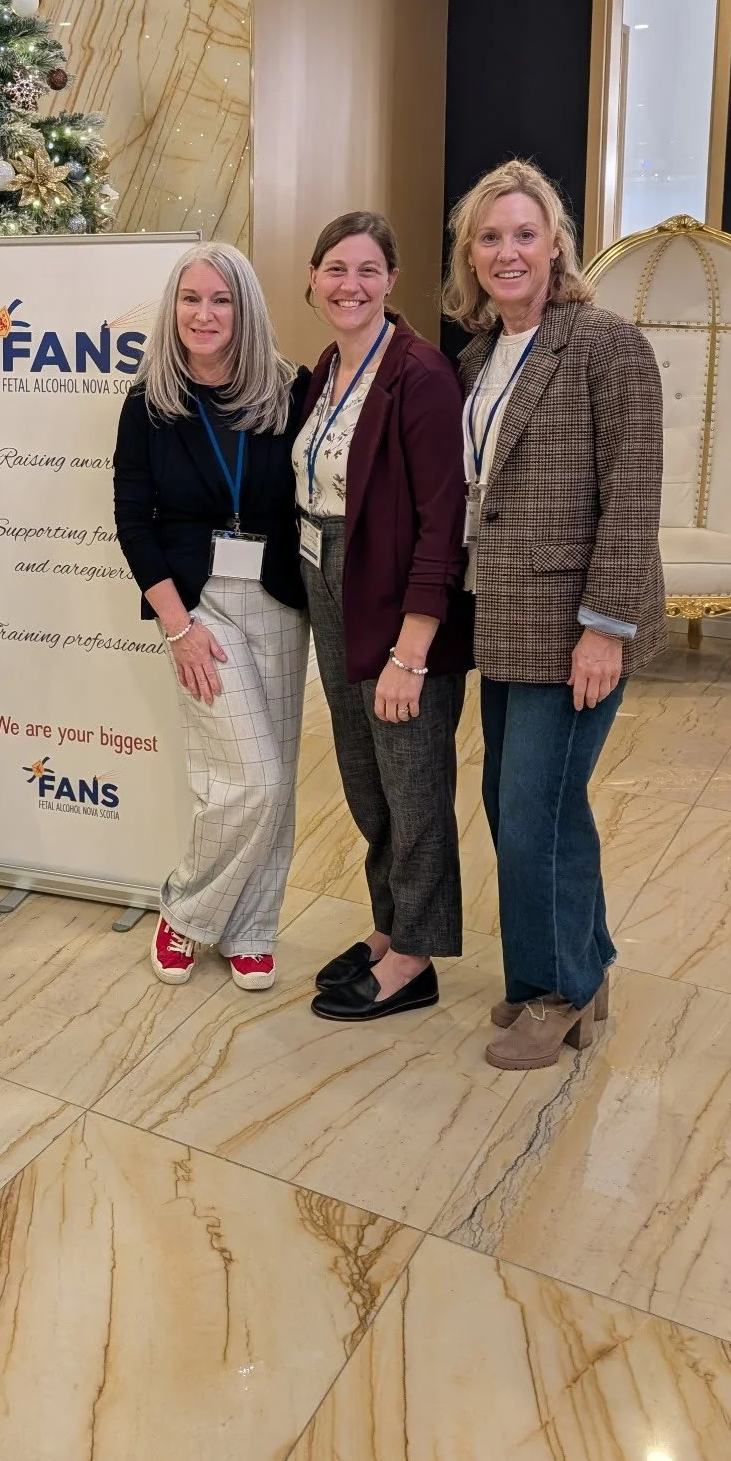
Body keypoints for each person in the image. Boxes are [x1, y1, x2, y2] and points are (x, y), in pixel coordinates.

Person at [445, 159, 666, 1070]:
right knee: (519, 804)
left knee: (534, 812)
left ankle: (558, 992)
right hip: (505, 615)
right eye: (490, 237)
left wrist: (605, 627)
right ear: (471, 255)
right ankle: (582, 963)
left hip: (576, 622)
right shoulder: (477, 357)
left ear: (556, 245)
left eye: (524, 235)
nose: (508, 252)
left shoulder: (607, 345)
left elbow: (634, 493)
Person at [113, 242, 310, 991]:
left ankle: (252, 928)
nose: (204, 314)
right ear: (173, 309)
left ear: (245, 308)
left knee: (276, 781)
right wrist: (177, 627)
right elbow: (133, 521)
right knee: (249, 778)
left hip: (279, 599)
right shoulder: (149, 404)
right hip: (197, 605)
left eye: (221, 299)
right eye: (191, 299)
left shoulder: (290, 392)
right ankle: (187, 911)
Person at [294, 212, 472, 1023]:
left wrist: (412, 651)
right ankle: (388, 922)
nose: (350, 285)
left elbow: (443, 522)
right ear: (313, 278)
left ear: (391, 280)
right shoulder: (327, 366)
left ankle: (416, 955)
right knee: (365, 775)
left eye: (368, 270)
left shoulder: (420, 374)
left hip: (398, 598)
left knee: (413, 779)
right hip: (327, 579)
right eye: (336, 269)